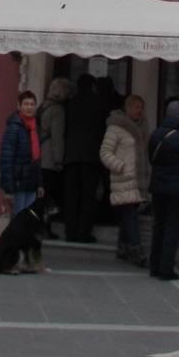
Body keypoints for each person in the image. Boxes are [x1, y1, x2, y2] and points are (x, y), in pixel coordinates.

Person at [146, 97, 179, 280]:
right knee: (172, 228)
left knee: (159, 226)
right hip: (178, 189)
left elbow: (151, 158)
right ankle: (166, 268)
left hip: (158, 186)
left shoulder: (155, 134)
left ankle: (154, 266)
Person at [99, 93, 150, 263]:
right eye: (136, 107)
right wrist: (120, 166)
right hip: (124, 179)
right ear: (127, 107)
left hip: (138, 180)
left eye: (141, 108)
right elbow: (105, 152)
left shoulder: (142, 128)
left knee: (127, 215)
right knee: (130, 215)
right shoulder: (116, 127)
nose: (139, 111)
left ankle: (123, 247)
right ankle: (136, 249)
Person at [62, 73, 107, 241]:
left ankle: (70, 232)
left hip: (71, 155)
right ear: (92, 86)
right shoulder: (99, 103)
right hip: (91, 156)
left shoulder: (70, 103)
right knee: (88, 195)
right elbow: (102, 128)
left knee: (71, 195)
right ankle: (83, 232)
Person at [0, 90, 43, 217]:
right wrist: (8, 189)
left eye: (32, 104)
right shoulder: (14, 127)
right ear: (19, 106)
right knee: (18, 219)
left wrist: (39, 184)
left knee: (28, 219)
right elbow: (6, 159)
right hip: (18, 182)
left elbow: (37, 159)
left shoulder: (34, 128)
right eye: (26, 104)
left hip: (31, 182)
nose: (29, 107)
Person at [37, 76, 71, 235]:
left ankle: (39, 225)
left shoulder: (42, 107)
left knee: (42, 193)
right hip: (49, 158)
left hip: (39, 156)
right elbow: (58, 137)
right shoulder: (58, 110)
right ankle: (46, 227)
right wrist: (59, 160)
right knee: (50, 194)